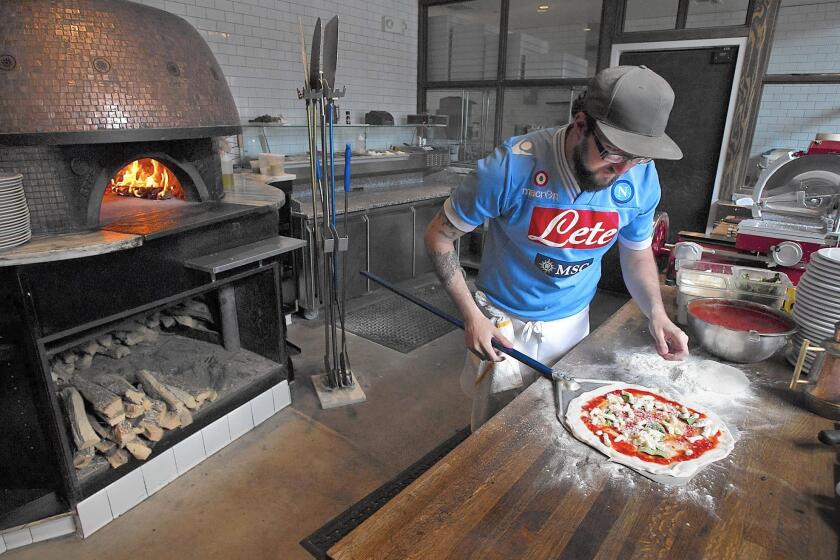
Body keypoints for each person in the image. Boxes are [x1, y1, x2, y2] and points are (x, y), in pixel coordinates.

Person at [424, 65, 690, 430]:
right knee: (495, 428)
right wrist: (472, 316)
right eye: (613, 153)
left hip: (572, 323)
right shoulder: (511, 167)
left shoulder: (640, 177)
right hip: (502, 324)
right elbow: (438, 236)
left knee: (562, 423)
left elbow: (637, 250)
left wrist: (656, 312)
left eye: (639, 157)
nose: (624, 170)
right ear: (581, 124)